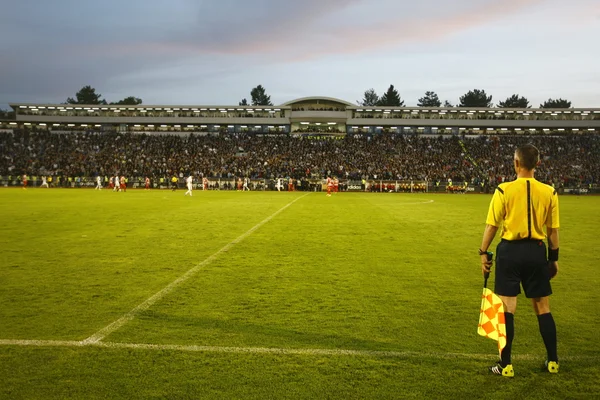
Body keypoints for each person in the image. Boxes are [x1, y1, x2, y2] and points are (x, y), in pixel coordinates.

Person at [479, 144, 560, 377]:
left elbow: (491, 226)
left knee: (507, 309)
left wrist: (483, 252)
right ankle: (553, 361)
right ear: (538, 163)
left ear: (516, 163)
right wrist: (553, 259)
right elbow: (552, 231)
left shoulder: (503, 190)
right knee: (543, 308)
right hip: (536, 252)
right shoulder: (550, 192)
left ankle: (506, 365)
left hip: (510, 253)